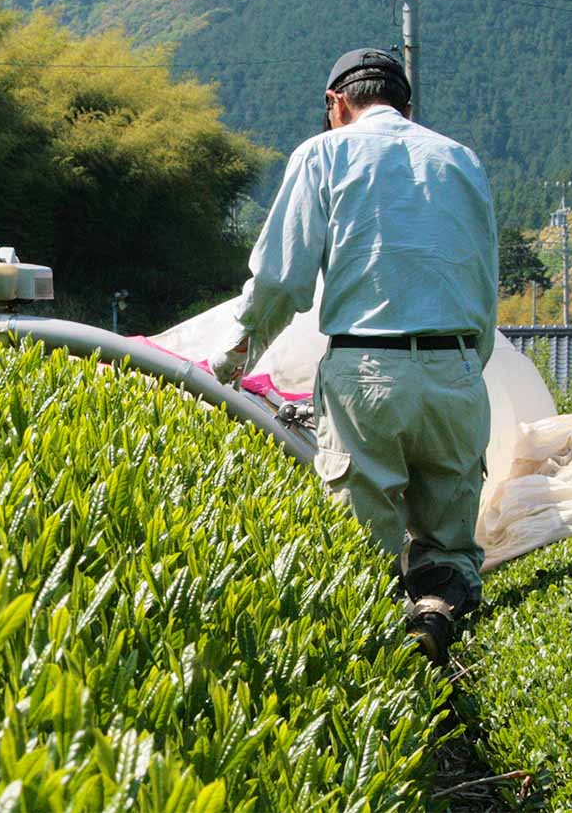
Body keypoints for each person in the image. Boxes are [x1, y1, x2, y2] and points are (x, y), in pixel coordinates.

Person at [209, 48, 498, 665]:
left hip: (365, 371)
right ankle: (440, 624)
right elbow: (483, 278)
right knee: (448, 550)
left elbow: (283, 283)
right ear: (406, 105)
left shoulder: (322, 153)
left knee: (362, 555)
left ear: (335, 105)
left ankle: (381, 689)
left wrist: (237, 352)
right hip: (457, 370)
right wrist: (468, 363)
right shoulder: (459, 159)